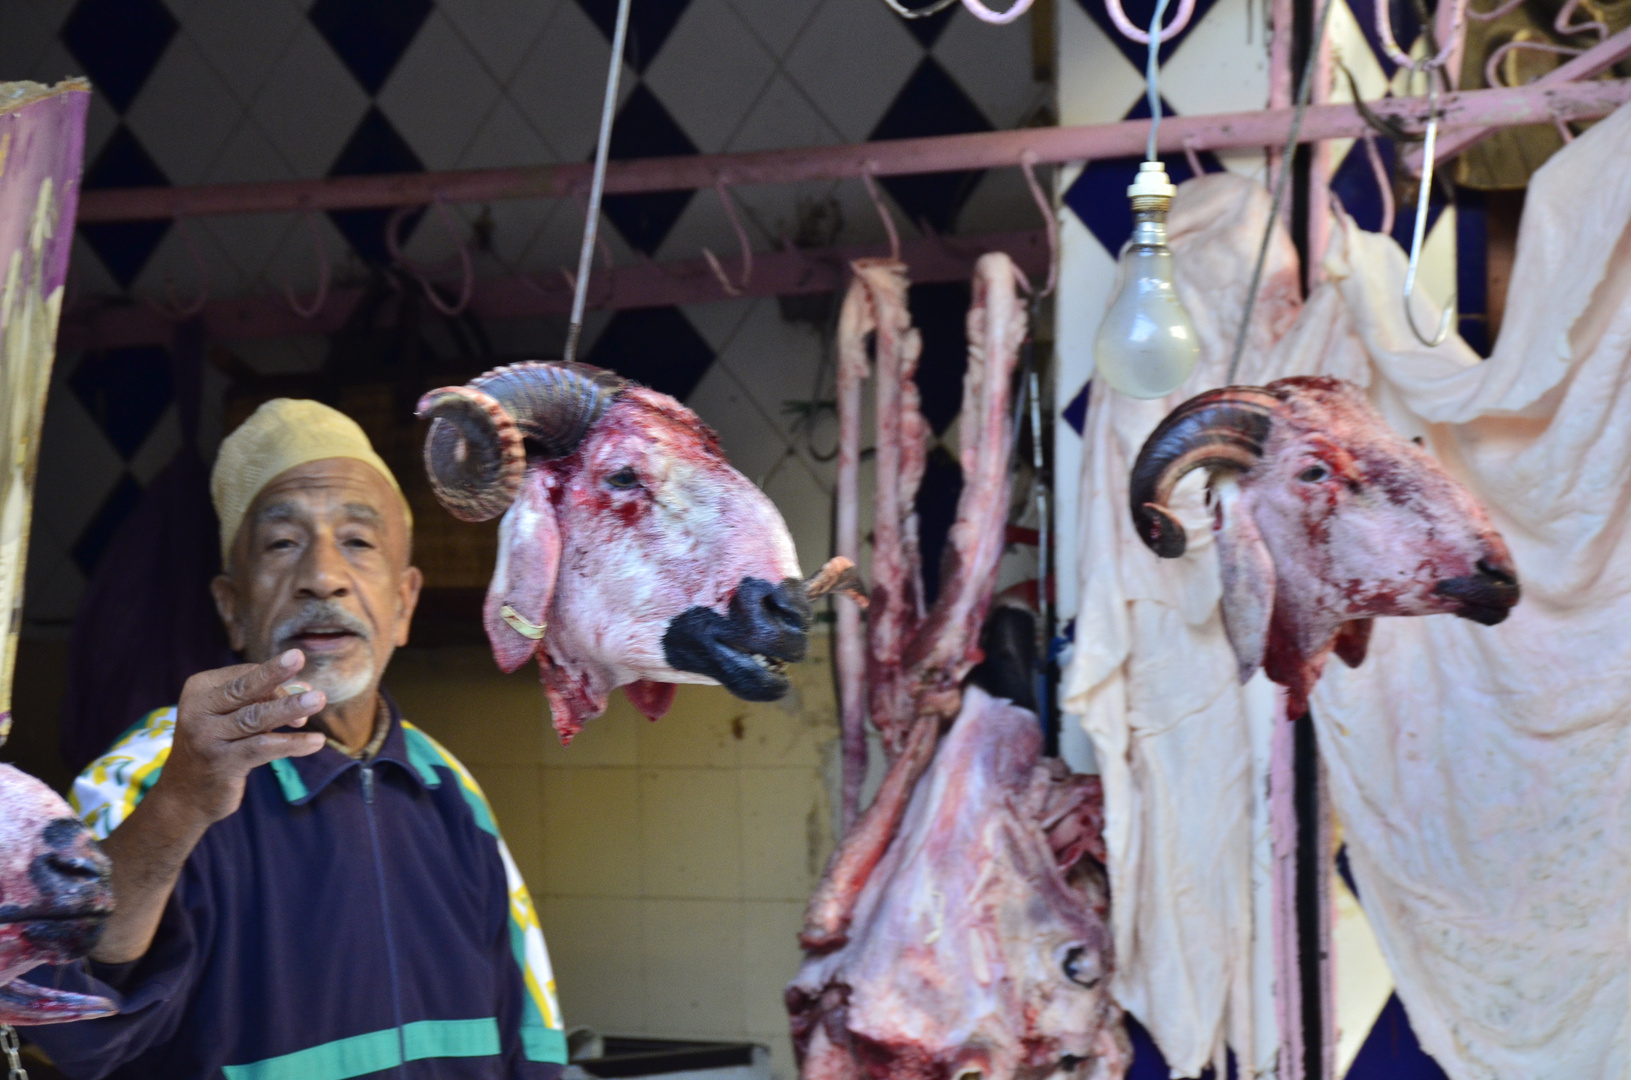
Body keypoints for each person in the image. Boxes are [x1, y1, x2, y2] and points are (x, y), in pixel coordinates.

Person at [25, 399, 566, 1080]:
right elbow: (69, 1026)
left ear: (404, 604)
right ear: (232, 606)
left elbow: (531, 1046)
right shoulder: (149, 774)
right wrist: (182, 805)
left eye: (359, 542)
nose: (323, 576)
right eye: (283, 544)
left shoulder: (450, 792)